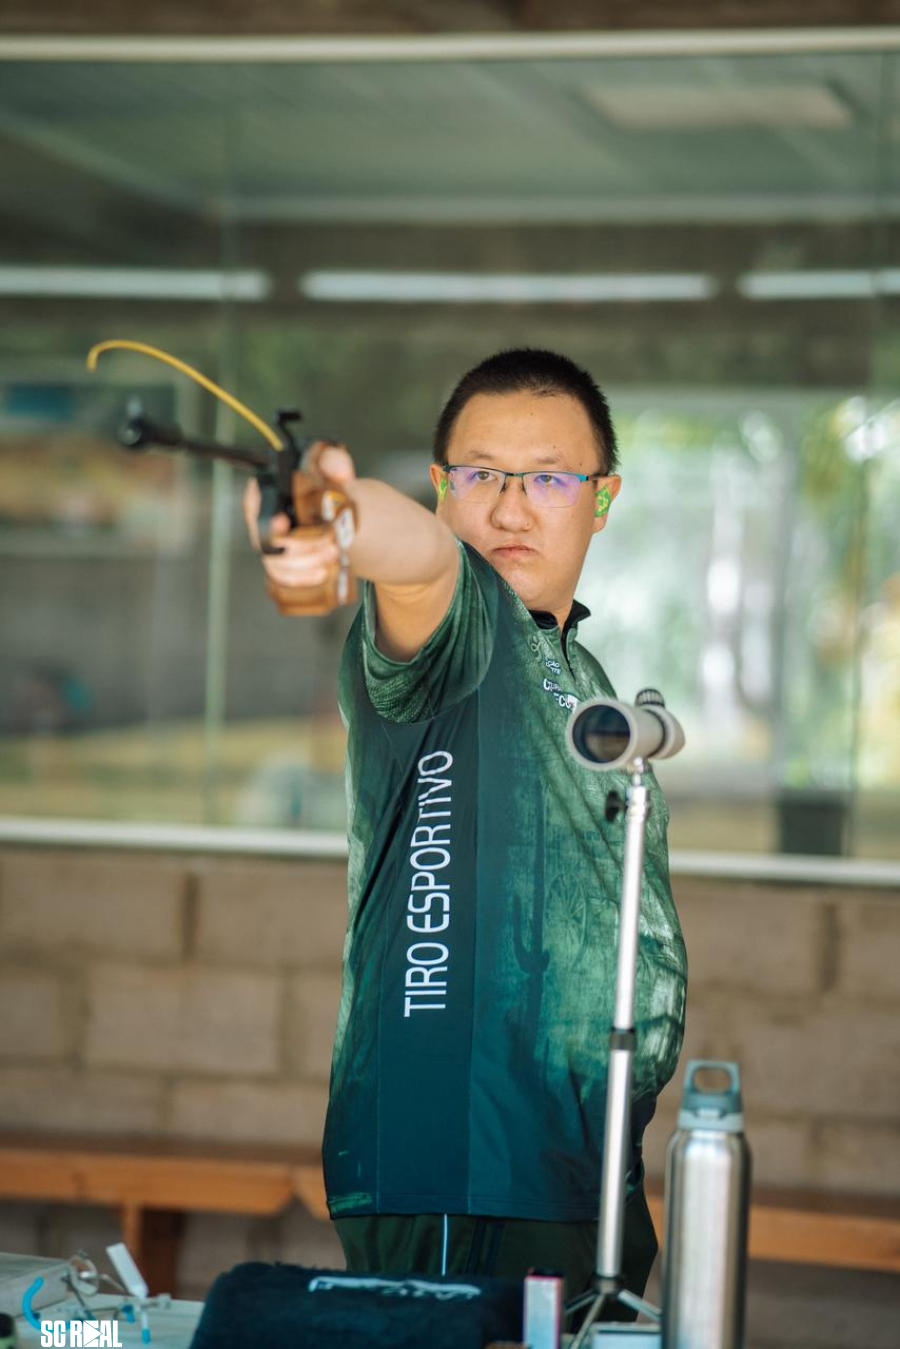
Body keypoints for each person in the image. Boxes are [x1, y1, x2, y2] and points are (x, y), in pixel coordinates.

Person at [244, 348, 687, 1322]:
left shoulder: (579, 666)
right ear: (441, 485)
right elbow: (424, 559)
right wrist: (336, 513)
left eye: (549, 477)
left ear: (601, 498)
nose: (511, 506)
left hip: (581, 1167)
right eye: (481, 473)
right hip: (457, 1167)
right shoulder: (460, 626)